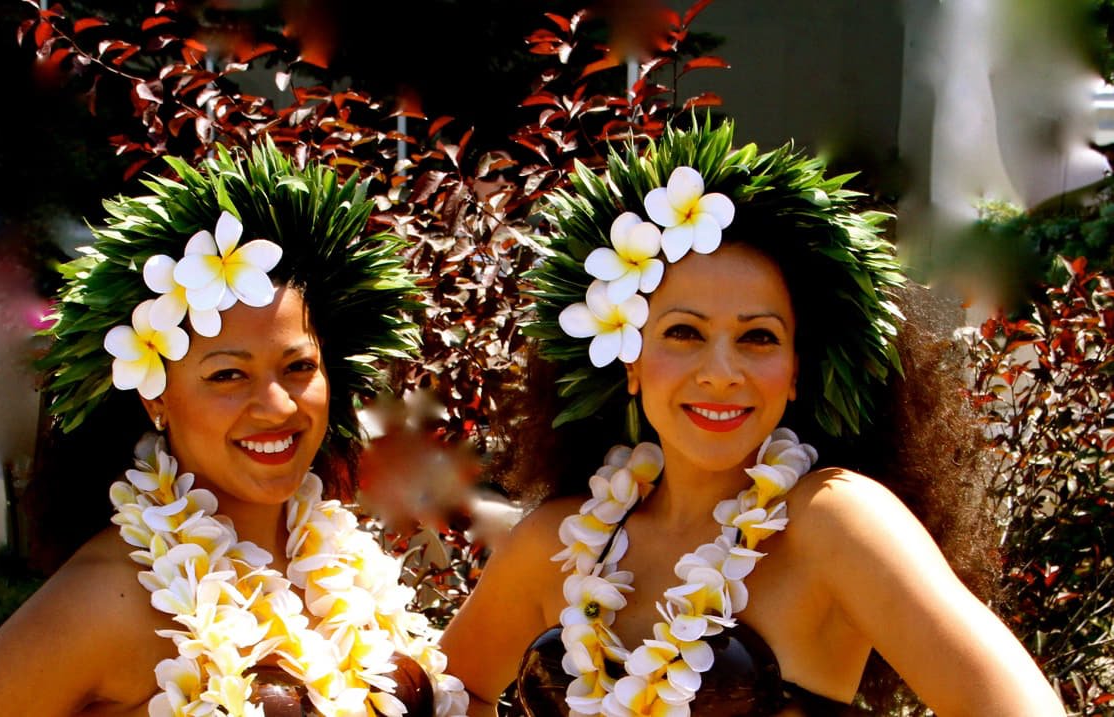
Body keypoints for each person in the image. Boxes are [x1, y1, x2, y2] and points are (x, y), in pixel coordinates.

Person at [439, 120, 1064, 716]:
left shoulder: (835, 522)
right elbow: (452, 692)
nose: (721, 372)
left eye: (759, 338)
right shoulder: (558, 541)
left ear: (796, 371)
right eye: (683, 332)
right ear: (630, 360)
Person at [0, 144, 469, 717]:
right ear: (156, 398)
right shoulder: (108, 598)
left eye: (299, 367)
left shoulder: (346, 559)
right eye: (228, 375)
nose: (277, 406)